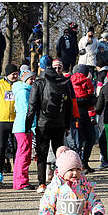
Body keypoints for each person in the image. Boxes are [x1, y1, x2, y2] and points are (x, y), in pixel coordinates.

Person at [28, 56, 74, 193]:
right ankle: (62, 181)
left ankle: (42, 183)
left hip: (43, 124)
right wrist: (67, 124)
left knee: (41, 154)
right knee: (59, 154)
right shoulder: (63, 82)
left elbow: (32, 105)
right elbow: (69, 105)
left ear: (41, 67)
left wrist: (27, 125)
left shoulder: (38, 83)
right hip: (59, 123)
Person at [0, 63, 19, 186]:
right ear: (7, 74)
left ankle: (18, 174)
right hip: (2, 120)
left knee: (17, 149)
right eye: (13, 74)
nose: (15, 76)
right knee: (1, 147)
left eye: (17, 74)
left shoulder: (19, 85)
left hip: (16, 121)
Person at [12, 69, 35, 190]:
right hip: (24, 126)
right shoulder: (24, 92)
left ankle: (18, 182)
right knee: (24, 155)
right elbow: (28, 111)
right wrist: (33, 126)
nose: (33, 81)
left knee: (21, 154)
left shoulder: (22, 90)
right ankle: (22, 182)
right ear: (25, 79)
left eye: (33, 78)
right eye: (30, 79)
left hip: (21, 126)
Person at [70, 64, 97, 173]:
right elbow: (91, 99)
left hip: (75, 115)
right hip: (86, 114)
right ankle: (84, 163)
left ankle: (76, 165)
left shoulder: (69, 81)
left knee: (77, 142)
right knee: (90, 139)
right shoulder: (87, 81)